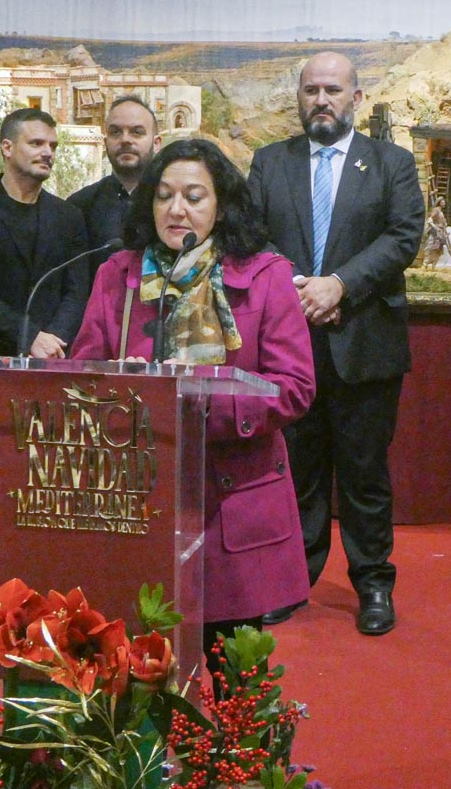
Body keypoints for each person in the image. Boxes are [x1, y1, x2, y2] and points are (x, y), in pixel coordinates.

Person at [70, 138, 314, 663]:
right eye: (163, 196)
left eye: (194, 196)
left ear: (221, 206)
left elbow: (293, 387)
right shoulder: (118, 276)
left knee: (233, 685)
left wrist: (200, 399)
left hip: (232, 498)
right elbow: (83, 374)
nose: (176, 209)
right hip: (138, 500)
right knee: (137, 675)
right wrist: (118, 384)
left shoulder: (266, 276)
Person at [248, 51, 424, 635]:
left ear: (355, 95)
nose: (321, 100)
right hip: (288, 346)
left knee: (365, 474)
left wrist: (339, 285)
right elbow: (250, 239)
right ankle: (292, 580)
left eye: (332, 90)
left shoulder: (391, 162)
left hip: (364, 342)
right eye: (310, 90)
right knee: (295, 472)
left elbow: (403, 237)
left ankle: (374, 585)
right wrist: (291, 286)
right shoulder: (269, 163)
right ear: (298, 97)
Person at [0, 108, 90, 630]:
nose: (46, 152)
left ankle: (40, 584)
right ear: (7, 148)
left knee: (44, 482)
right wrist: (27, 336)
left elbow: (78, 288)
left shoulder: (68, 218)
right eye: (35, 143)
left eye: (52, 144)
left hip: (49, 374)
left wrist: (55, 341)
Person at [68, 95, 162, 273]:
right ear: (105, 143)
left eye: (137, 132)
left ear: (156, 143)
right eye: (116, 132)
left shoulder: (173, 205)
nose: (125, 140)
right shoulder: (79, 206)